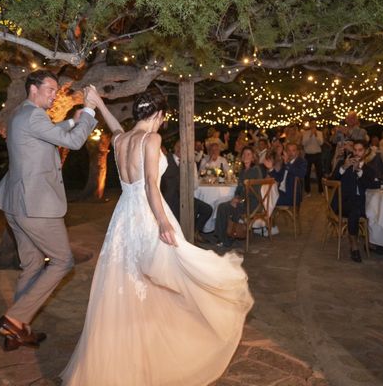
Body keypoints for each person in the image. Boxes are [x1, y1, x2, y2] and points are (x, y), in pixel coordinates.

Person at [61, 91, 254, 385]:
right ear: (158, 116)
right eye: (164, 117)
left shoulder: (120, 140)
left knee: (128, 279)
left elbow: (115, 127)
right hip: (147, 214)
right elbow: (151, 183)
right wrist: (163, 222)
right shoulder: (151, 140)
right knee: (171, 272)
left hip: (123, 216)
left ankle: (129, 347)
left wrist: (100, 105)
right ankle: (162, 341)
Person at [0, 70, 99, 350]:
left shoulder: (21, 114)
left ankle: (18, 329)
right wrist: (88, 111)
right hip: (35, 206)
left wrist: (69, 122)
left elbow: (46, 134)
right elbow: (74, 143)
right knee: (63, 261)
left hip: (15, 204)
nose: (54, 95)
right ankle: (14, 319)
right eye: (50, 90)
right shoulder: (34, 115)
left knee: (33, 264)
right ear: (33, 89)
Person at [331, 140, 377, 263]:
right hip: (343, 204)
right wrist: (344, 167)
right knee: (354, 210)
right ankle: (354, 246)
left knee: (375, 209)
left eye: (360, 150)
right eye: (355, 150)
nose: (357, 153)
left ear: (366, 152)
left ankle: (374, 242)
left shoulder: (368, 170)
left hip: (362, 203)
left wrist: (359, 172)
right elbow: (332, 179)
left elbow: (373, 185)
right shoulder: (344, 163)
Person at [213, 146, 266, 248]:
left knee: (225, 208)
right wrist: (236, 197)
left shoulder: (255, 170)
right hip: (243, 201)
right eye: (244, 154)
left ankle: (227, 238)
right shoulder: (242, 171)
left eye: (248, 154)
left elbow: (253, 191)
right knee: (222, 206)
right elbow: (239, 189)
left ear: (253, 157)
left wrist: (238, 199)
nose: (245, 156)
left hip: (252, 203)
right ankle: (222, 237)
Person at [160, 140, 213, 239]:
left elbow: (195, 186)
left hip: (185, 198)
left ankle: (194, 232)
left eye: (183, 147)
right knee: (189, 211)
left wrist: (192, 168)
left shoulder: (190, 162)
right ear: (174, 148)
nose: (180, 149)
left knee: (207, 209)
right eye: (178, 146)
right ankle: (187, 236)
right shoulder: (165, 160)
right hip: (169, 200)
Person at [272, 143, 307, 207]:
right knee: (264, 194)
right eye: (289, 150)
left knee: (268, 198)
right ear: (285, 152)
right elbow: (278, 178)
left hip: (291, 196)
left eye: (293, 150)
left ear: (297, 152)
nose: (291, 153)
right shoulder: (285, 161)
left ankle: (266, 216)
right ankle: (265, 216)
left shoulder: (301, 162)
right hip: (280, 192)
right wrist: (271, 169)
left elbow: (301, 174)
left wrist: (287, 164)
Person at [301, 120, 323, 194]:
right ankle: (308, 191)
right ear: (310, 125)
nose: (313, 125)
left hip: (317, 154)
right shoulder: (305, 133)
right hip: (308, 155)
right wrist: (310, 135)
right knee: (307, 173)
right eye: (312, 124)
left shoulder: (320, 133)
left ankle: (321, 190)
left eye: (314, 123)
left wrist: (316, 135)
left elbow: (321, 143)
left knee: (319, 173)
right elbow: (303, 143)